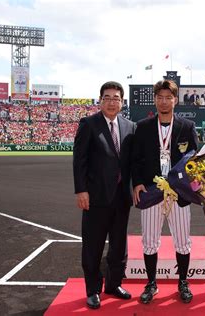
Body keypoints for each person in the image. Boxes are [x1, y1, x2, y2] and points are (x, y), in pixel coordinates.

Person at [132, 79, 199, 304]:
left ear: (175, 100)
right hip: (152, 192)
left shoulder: (187, 127)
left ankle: (183, 282)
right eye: (159, 97)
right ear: (154, 100)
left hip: (178, 194)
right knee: (149, 241)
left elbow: (195, 160)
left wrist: (192, 187)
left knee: (182, 241)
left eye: (168, 97)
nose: (164, 101)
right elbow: (136, 160)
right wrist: (138, 182)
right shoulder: (142, 127)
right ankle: (151, 283)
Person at [73, 81, 136, 310]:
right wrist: (81, 190)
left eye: (116, 98)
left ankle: (113, 285)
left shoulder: (130, 126)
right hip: (96, 197)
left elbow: (133, 163)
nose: (112, 102)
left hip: (122, 199)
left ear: (122, 102)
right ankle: (92, 290)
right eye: (107, 97)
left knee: (119, 246)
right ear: (100, 100)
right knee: (93, 245)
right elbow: (79, 160)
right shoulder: (89, 124)